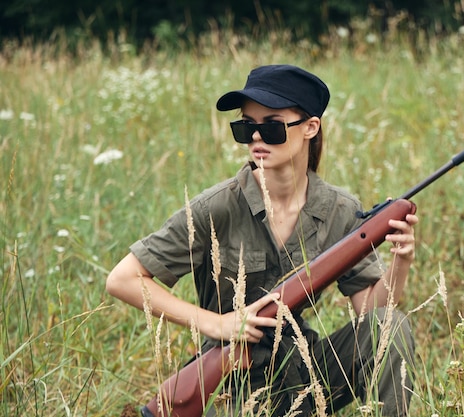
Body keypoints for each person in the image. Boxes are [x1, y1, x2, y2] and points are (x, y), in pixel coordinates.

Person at [106, 64, 418, 417]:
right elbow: (122, 279)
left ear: (310, 128)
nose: (256, 138)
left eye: (271, 127)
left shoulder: (339, 210)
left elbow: (371, 309)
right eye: (246, 128)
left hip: (305, 371)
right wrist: (217, 323)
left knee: (390, 327)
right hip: (232, 381)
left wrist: (400, 261)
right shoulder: (217, 206)